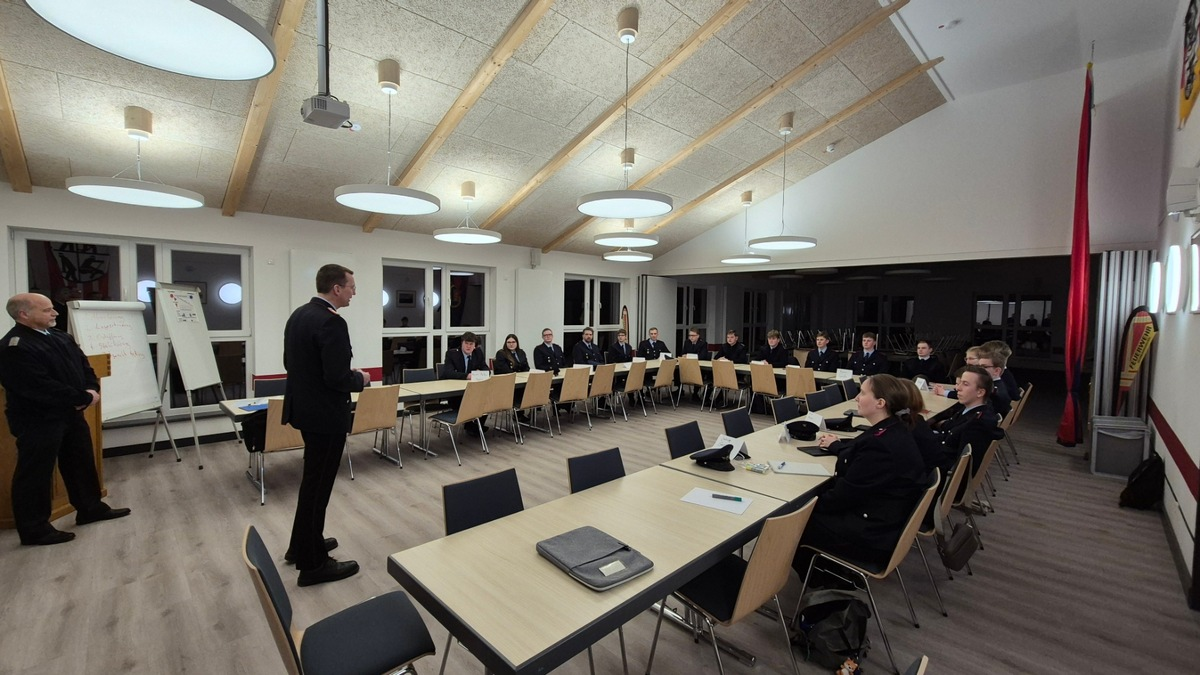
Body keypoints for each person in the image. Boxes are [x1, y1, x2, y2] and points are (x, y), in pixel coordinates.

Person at [0, 293, 131, 546]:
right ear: (23, 314)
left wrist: (91, 389)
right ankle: (35, 529)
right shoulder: (15, 346)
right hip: (38, 419)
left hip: (71, 413)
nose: (55, 313)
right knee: (35, 473)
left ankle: (90, 508)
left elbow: (85, 366)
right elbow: (37, 386)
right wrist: (81, 397)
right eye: (47, 310)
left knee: (80, 461)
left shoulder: (60, 336)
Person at [281, 264, 368, 586]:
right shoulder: (332, 322)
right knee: (318, 488)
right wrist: (360, 379)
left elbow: (293, 364)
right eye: (351, 287)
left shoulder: (299, 315)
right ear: (336, 288)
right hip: (326, 416)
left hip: (306, 412)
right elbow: (336, 378)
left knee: (312, 484)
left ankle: (302, 544)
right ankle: (313, 564)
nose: (354, 293)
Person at [795, 374, 929, 574]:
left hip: (871, 535)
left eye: (863, 393)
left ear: (880, 403)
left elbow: (844, 496)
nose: (856, 397)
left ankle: (827, 578)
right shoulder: (895, 429)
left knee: (793, 523)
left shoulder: (881, 445)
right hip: (885, 520)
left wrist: (804, 507)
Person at [927, 365, 1001, 474]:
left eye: (965, 384)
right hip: (938, 451)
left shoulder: (977, 423)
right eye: (960, 383)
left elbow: (961, 466)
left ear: (980, 392)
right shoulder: (970, 409)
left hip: (937, 468)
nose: (958, 388)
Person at [443, 332, 491, 434]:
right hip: (456, 393)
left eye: (471, 344)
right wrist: (466, 376)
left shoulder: (478, 353)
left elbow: (486, 369)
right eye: (466, 343)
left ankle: (477, 425)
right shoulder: (452, 354)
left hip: (473, 390)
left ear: (475, 346)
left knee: (486, 399)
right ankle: (470, 426)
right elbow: (448, 373)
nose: (468, 346)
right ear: (462, 343)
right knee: (472, 401)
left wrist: (481, 372)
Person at [974, 351, 1012, 418]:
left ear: (996, 371)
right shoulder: (999, 385)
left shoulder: (991, 391)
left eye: (984, 367)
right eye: (978, 366)